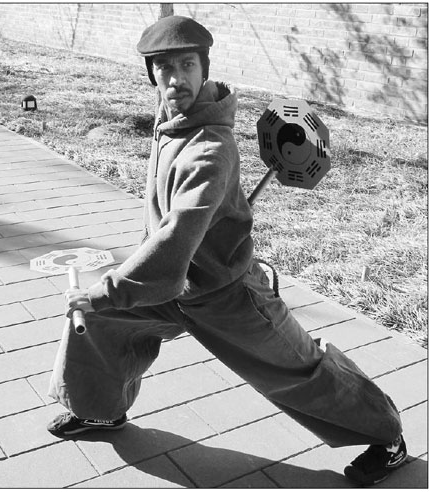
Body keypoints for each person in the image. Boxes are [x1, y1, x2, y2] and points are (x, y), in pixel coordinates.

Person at [47, 15, 407, 487]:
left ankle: (388, 436)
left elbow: (175, 237)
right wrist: (111, 299)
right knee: (100, 325)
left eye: (187, 64)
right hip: (173, 284)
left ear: (204, 67)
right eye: (163, 67)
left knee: (298, 370)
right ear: (150, 73)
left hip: (227, 295)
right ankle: (100, 412)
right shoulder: (173, 122)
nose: (175, 78)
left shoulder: (209, 147)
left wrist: (106, 290)